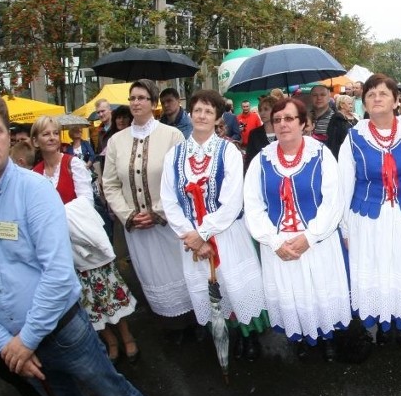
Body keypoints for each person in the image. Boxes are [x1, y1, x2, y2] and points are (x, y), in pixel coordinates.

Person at [0, 91, 186, 396]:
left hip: (61, 331)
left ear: (10, 136)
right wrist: (5, 343)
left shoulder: (34, 191)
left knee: (117, 393)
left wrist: (23, 342)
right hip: (14, 343)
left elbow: (59, 276)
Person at [161, 90, 269, 362]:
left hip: (226, 232)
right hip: (192, 237)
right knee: (211, 289)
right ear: (190, 113)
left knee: (237, 286)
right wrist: (190, 234)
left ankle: (250, 335)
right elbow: (168, 198)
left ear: (218, 117)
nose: (202, 115)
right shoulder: (175, 155)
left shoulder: (228, 151)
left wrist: (203, 233)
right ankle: (227, 334)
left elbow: (232, 200)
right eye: (197, 110)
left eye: (209, 111)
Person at [243, 97, 350, 361]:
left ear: (303, 123)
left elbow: (333, 201)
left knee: (319, 290)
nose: (282, 124)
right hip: (279, 244)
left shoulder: (321, 154)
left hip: (316, 241)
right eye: (277, 119)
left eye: (289, 118)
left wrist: (310, 236)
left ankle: (327, 337)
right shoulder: (261, 160)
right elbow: (253, 205)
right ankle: (300, 334)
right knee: (293, 293)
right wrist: (274, 241)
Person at [30, 115, 138, 364]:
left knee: (107, 291)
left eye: (55, 133)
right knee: (85, 298)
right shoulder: (34, 175)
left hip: (84, 239)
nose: (52, 137)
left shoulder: (72, 164)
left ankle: (126, 334)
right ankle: (110, 340)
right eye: (45, 134)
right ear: (35, 141)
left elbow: (86, 202)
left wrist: (55, 215)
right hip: (60, 246)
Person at [339, 73, 401, 345]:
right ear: (363, 103)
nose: (377, 98)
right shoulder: (353, 137)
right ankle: (376, 320)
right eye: (370, 94)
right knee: (373, 268)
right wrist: (345, 228)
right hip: (367, 218)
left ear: (396, 100)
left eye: (383, 93)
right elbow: (343, 184)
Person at [102, 80, 193, 331]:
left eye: (142, 98)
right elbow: (109, 184)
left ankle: (192, 321)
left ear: (153, 104)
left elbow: (181, 179)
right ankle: (168, 323)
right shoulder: (116, 141)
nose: (136, 102)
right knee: (151, 273)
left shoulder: (171, 135)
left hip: (167, 223)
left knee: (178, 271)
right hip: (137, 226)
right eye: (132, 98)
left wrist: (157, 212)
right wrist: (129, 215)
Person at [244, 95, 278, 171]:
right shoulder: (254, 134)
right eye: (260, 110)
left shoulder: (282, 131)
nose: (262, 113)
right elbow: (249, 160)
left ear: (275, 110)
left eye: (266, 109)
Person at [325, 94, 358, 158]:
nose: (351, 106)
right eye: (349, 104)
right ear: (342, 105)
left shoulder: (355, 117)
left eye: (351, 104)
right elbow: (333, 140)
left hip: (354, 150)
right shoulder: (336, 119)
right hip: (341, 152)